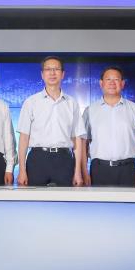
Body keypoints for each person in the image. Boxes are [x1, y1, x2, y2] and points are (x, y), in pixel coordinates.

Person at [17, 56, 85, 187]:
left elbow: (77, 138)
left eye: (56, 69)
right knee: (34, 198)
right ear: (42, 74)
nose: (52, 73)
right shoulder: (31, 102)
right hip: (37, 159)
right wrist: (22, 170)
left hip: (64, 160)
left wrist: (77, 172)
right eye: (48, 69)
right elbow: (24, 138)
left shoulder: (72, 103)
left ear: (63, 74)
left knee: (65, 199)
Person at [81, 66, 135, 187]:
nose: (112, 83)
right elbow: (83, 144)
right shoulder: (90, 111)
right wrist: (84, 172)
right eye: (108, 79)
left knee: (129, 200)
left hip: (128, 170)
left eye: (116, 79)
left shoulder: (134, 109)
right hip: (99, 170)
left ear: (122, 84)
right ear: (101, 83)